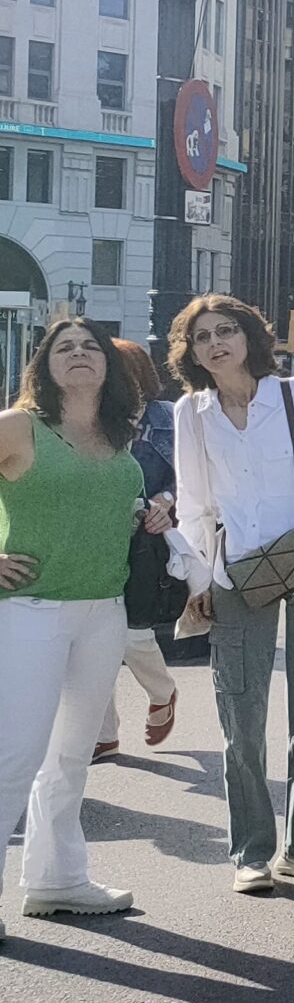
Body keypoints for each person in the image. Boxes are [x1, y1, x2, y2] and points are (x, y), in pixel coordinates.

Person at [169, 296, 294, 891]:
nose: (216, 343)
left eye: (226, 330)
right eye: (202, 336)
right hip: (236, 573)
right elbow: (194, 502)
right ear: (191, 352)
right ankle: (251, 852)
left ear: (250, 337)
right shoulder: (192, 412)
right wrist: (197, 578)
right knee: (240, 712)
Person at [0, 318, 152, 928]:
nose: (80, 353)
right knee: (14, 758)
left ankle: (57, 880)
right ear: (45, 365)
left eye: (91, 346)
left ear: (109, 365)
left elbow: (107, 506)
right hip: (29, 611)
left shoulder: (118, 434)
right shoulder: (18, 426)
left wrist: (153, 513)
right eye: (64, 347)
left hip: (102, 611)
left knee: (70, 758)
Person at [94, 340, 182, 760]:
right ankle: (103, 733)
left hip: (144, 540)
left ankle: (162, 690)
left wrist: (166, 501)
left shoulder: (167, 417)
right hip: (94, 538)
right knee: (93, 637)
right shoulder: (88, 416)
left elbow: (193, 475)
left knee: (132, 631)